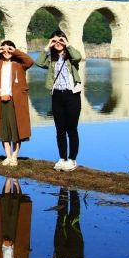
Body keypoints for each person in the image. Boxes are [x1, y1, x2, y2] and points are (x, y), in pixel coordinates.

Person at [0, 39, 35, 166]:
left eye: (9, 49)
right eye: (4, 49)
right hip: (1, 101)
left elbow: (30, 61)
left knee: (16, 129)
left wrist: (15, 52)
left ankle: (15, 156)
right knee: (3, 129)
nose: (6, 51)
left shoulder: (20, 64)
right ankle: (8, 156)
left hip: (16, 101)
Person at [36, 30, 83, 172]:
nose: (57, 43)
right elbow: (38, 63)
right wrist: (47, 46)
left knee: (72, 129)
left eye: (60, 41)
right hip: (56, 95)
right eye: (54, 41)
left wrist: (66, 44)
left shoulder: (71, 57)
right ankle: (62, 158)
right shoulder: (52, 59)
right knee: (60, 129)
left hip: (72, 95)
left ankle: (72, 159)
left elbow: (78, 57)